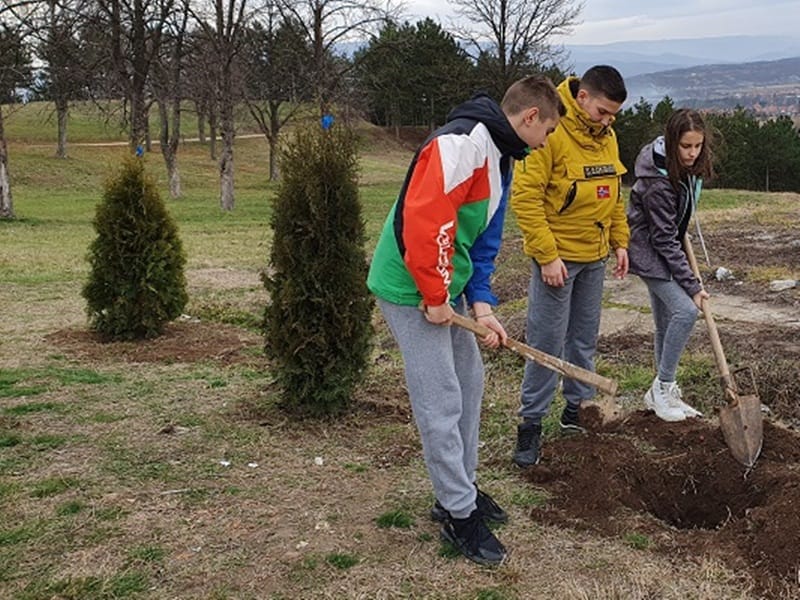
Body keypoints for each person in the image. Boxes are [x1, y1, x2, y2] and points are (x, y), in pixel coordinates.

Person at [367, 75, 565, 566]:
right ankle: (458, 515)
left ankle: (462, 491)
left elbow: (482, 240)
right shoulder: (460, 145)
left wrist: (481, 304)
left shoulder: (502, 157)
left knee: (469, 382)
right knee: (441, 399)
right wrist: (435, 295)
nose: (546, 144)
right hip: (409, 286)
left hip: (442, 285)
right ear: (529, 118)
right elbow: (425, 219)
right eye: (547, 132)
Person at [510, 65, 629, 468]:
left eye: (613, 114)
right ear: (581, 97)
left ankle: (577, 410)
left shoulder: (606, 138)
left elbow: (612, 194)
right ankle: (531, 423)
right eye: (602, 111)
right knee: (546, 342)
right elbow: (526, 197)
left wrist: (620, 241)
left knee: (582, 339)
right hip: (557, 261)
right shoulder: (551, 130)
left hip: (593, 257)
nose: (608, 120)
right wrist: (546, 255)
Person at [627, 108, 714, 421]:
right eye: (686, 146)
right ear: (671, 141)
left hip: (666, 245)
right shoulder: (657, 182)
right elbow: (662, 240)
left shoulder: (681, 169)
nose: (692, 153)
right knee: (685, 311)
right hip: (649, 253)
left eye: (697, 146)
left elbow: (672, 227)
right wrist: (692, 285)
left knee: (667, 321)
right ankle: (663, 386)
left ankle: (660, 392)